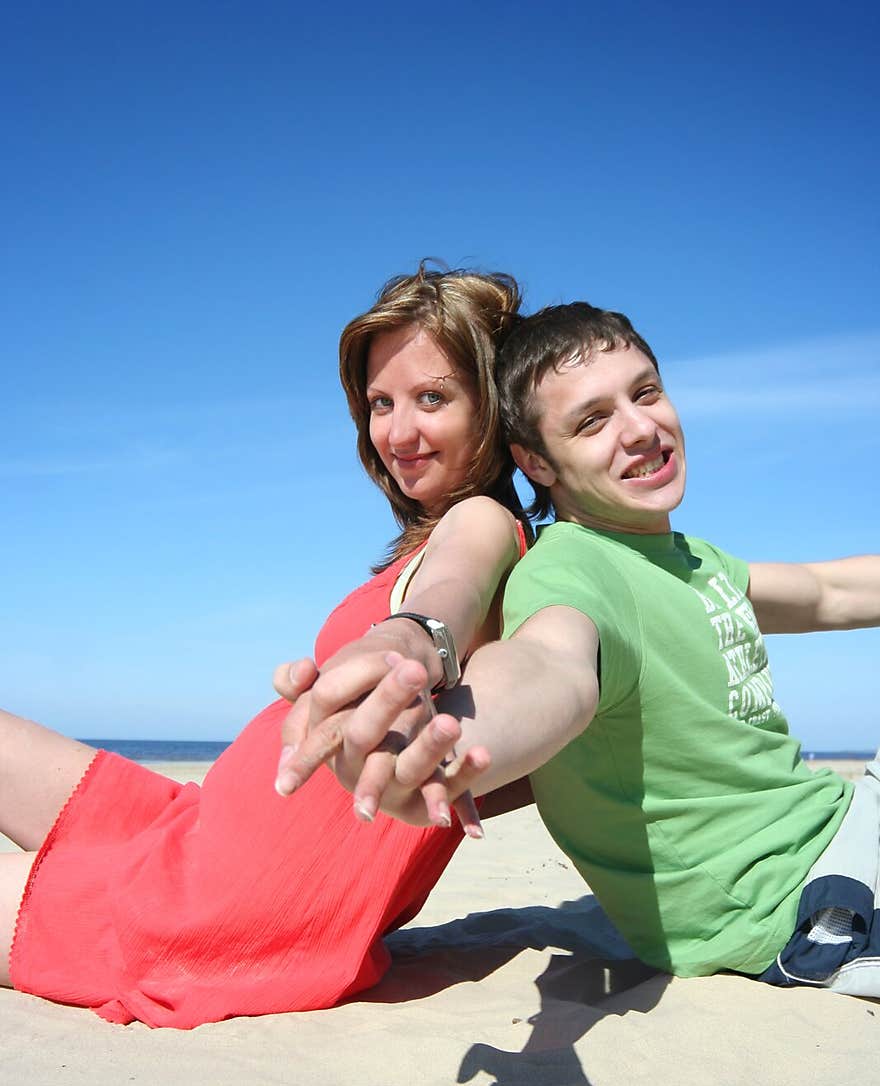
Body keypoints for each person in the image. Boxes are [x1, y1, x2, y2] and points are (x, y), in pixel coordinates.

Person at [282, 300, 880, 1000]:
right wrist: (452, 749)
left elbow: (827, 591)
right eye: (592, 420)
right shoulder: (572, 570)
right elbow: (549, 666)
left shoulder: (692, 560)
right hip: (798, 905)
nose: (639, 429)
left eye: (645, 392)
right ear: (535, 461)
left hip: (844, 823)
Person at [0, 263, 532, 1029]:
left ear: (494, 405)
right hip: (193, 824)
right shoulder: (443, 538)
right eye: (381, 403)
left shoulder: (482, 526)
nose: (398, 432)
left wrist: (406, 640)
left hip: (210, 903)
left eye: (432, 398)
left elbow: (445, 600)